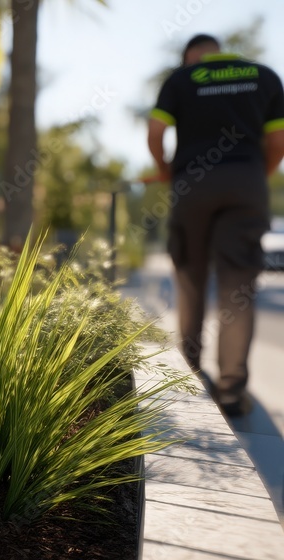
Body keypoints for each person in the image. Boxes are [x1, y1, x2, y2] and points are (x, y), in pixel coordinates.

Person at [148, 33, 284, 416]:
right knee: (238, 284)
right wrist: (257, 175)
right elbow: (278, 141)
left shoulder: (182, 78)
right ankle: (230, 391)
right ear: (217, 51)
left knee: (190, 276)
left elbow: (155, 134)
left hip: (193, 184)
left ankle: (188, 372)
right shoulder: (264, 75)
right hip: (246, 182)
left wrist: (167, 173)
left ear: (192, 55)